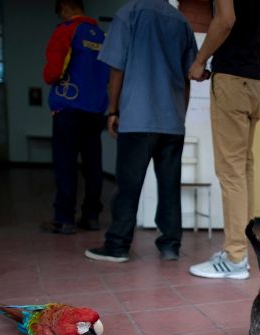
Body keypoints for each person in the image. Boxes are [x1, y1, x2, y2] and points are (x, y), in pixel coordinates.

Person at [83, 0, 198, 262]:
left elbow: (117, 67)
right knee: (169, 186)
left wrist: (113, 110)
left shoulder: (129, 13)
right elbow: (188, 76)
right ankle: (170, 245)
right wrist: (180, 116)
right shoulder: (181, 22)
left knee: (128, 185)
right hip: (172, 121)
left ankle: (117, 246)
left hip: (137, 117)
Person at [188, 0, 260, 279]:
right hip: (254, 82)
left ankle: (234, 257)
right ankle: (241, 248)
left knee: (231, 170)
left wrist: (199, 61)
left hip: (231, 80)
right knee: (243, 166)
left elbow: (225, 19)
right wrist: (257, 64)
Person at [40, 0, 110, 235]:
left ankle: (64, 219)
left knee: (66, 164)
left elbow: (53, 72)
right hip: (95, 110)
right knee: (93, 165)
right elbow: (109, 72)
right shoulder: (102, 36)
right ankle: (91, 216)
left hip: (69, 107)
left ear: (64, 9)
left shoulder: (66, 30)